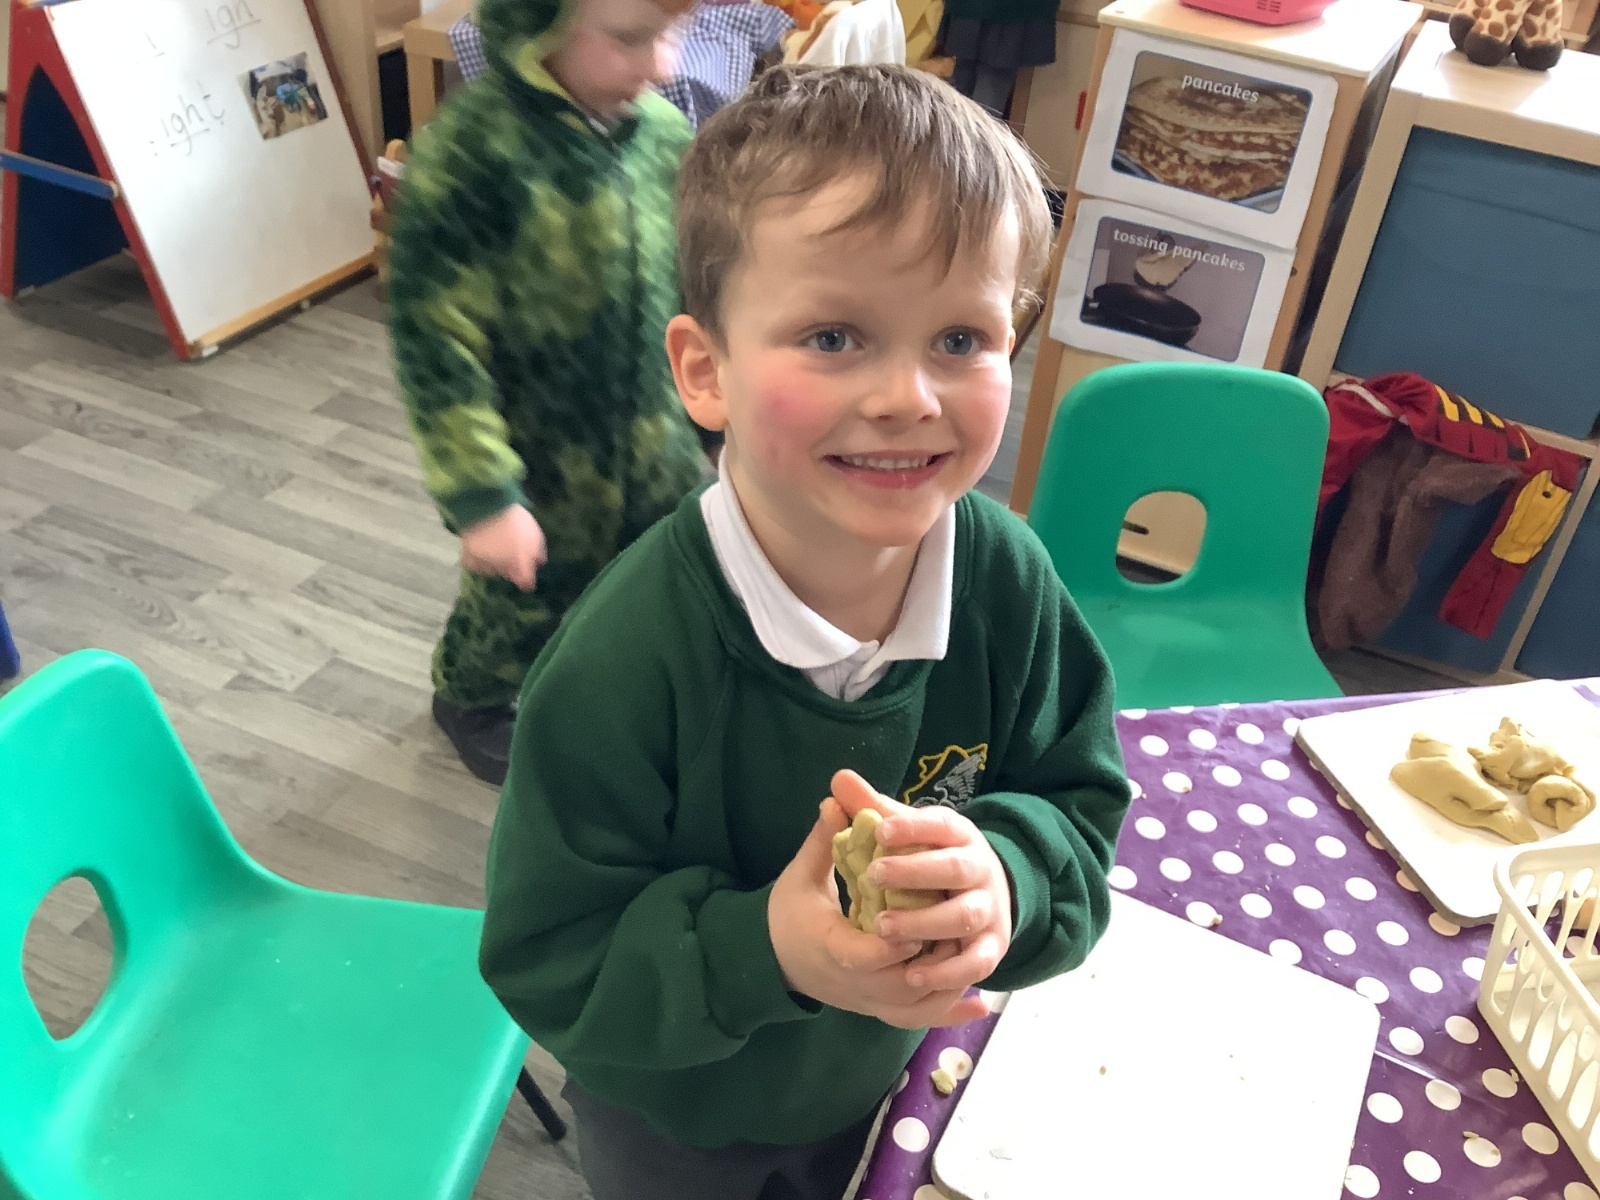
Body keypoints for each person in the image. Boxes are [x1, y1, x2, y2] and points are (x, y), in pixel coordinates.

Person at [479, 65, 1131, 1200]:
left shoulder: (1007, 580)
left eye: (961, 338)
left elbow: (1079, 807)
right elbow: (550, 957)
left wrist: (1010, 878)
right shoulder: (623, 660)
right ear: (705, 372)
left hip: (883, 1080)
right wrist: (768, 950)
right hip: (677, 1120)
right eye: (834, 336)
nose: (908, 397)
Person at [386, 0, 710, 785]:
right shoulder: (470, 159)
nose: (662, 65)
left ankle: (614, 687)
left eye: (672, 35)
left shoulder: (666, 138)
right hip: (538, 468)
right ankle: (470, 698)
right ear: (538, 23)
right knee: (517, 606)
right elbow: (437, 342)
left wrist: (722, 419)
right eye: (629, 39)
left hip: (658, 447)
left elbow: (700, 291)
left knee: (648, 584)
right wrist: (483, 497)